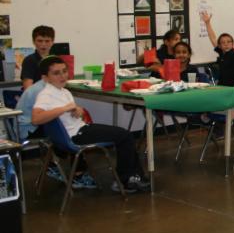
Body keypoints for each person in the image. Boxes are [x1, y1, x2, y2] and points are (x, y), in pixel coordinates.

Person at [31, 56, 149, 193]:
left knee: (124, 135)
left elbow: (67, 111)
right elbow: (36, 118)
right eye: (56, 73)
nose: (62, 76)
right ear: (46, 78)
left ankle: (133, 177)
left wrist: (77, 109)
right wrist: (64, 108)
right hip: (76, 135)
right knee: (125, 136)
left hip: (79, 130)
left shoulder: (62, 91)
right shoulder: (46, 95)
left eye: (64, 71)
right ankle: (125, 181)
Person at [200, 11, 234, 86]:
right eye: (223, 42)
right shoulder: (222, 52)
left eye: (228, 42)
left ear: (233, 44)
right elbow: (213, 38)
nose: (226, 44)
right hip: (222, 85)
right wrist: (207, 23)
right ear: (219, 45)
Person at [21, 25, 55, 89]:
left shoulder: (56, 61)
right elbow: (28, 88)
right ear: (34, 41)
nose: (43, 44)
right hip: (37, 94)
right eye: (40, 41)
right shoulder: (29, 60)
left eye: (47, 41)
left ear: (52, 42)